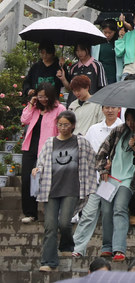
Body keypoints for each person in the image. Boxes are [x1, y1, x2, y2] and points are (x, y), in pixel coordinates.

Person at [34, 110, 98, 272]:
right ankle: (48, 262)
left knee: (64, 222)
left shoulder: (81, 142)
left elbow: (94, 159)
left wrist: (105, 167)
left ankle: (67, 245)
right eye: (60, 125)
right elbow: (41, 162)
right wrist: (36, 170)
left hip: (72, 188)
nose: (62, 128)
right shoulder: (49, 143)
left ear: (73, 126)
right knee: (50, 226)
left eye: (66, 125)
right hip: (51, 189)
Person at [20, 82, 65, 224]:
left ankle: (53, 213)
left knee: (49, 181)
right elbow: (24, 120)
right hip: (30, 148)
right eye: (40, 96)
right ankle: (30, 213)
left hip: (48, 149)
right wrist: (31, 104)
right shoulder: (34, 108)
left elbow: (62, 129)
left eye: (45, 97)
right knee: (27, 180)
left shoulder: (59, 109)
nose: (43, 99)